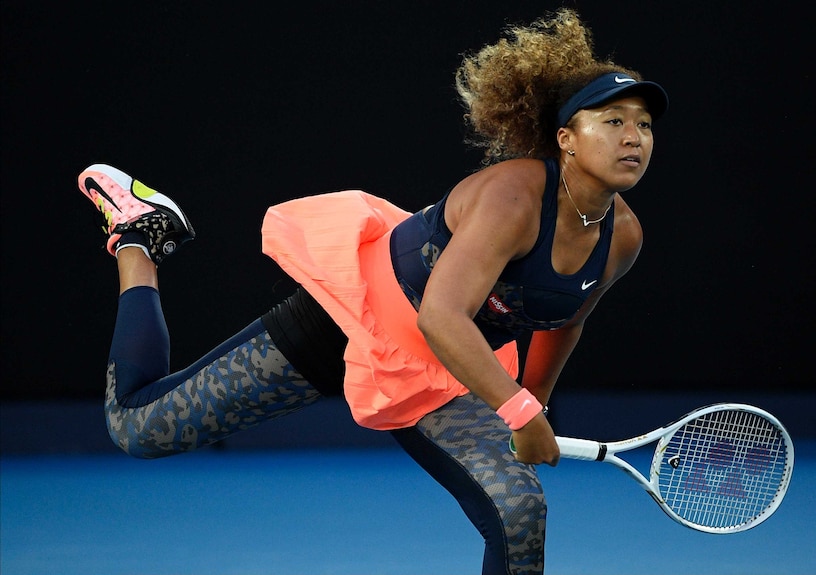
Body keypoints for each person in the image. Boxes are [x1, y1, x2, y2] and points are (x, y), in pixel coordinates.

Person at [78, 7, 668, 574]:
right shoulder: (513, 196)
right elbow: (442, 314)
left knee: (519, 510)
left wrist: (534, 399)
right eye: (612, 120)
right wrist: (516, 410)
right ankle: (138, 239)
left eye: (643, 124)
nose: (633, 137)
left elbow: (566, 320)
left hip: (445, 374)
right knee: (140, 429)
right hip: (353, 322)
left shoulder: (624, 237)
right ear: (566, 138)